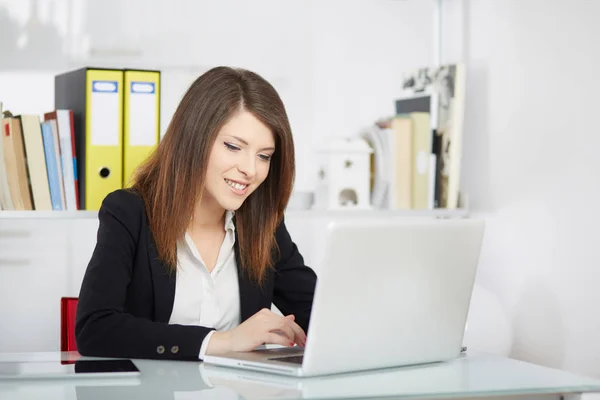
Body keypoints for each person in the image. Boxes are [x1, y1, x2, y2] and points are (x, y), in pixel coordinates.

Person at [75, 66, 318, 361]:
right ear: (194, 138)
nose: (250, 170)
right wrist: (222, 342)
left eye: (264, 156)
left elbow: (321, 313)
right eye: (233, 147)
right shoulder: (129, 213)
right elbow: (96, 329)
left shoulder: (264, 224)